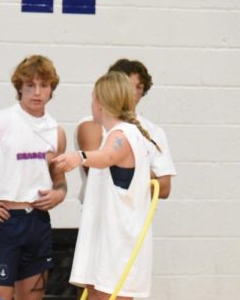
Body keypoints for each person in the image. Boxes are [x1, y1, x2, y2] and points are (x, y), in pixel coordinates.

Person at [52, 71, 161, 300]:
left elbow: (104, 157)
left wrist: (78, 157)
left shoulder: (123, 135)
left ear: (102, 101)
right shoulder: (123, 133)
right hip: (105, 244)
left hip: (119, 246)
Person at [0, 55, 66, 300]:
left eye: (44, 86)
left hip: (37, 221)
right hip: (4, 221)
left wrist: (59, 194)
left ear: (51, 89)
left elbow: (59, 179)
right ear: (19, 88)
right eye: (30, 86)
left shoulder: (55, 131)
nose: (37, 93)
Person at [75, 59, 176, 200]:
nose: (133, 92)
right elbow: (97, 173)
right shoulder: (93, 124)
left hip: (135, 217)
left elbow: (164, 188)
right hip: (101, 215)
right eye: (128, 85)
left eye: (139, 87)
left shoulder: (152, 131)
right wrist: (146, 174)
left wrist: (80, 157)